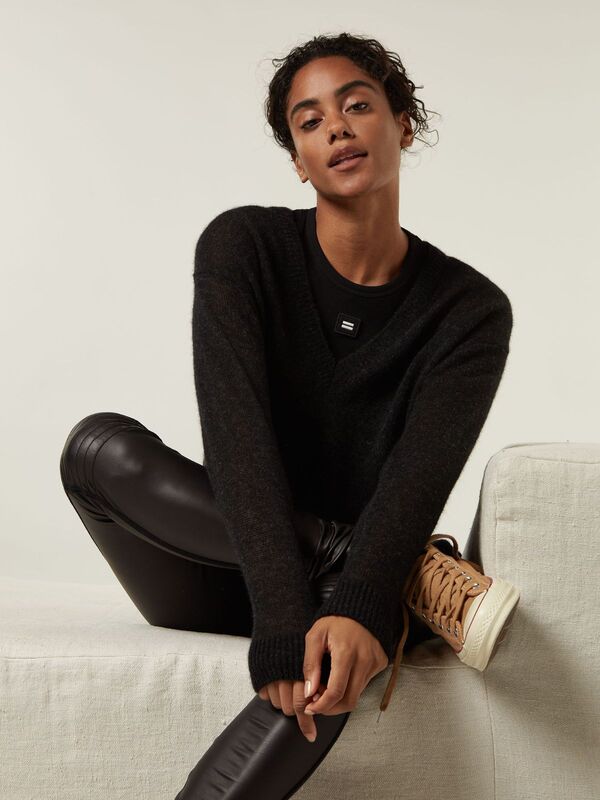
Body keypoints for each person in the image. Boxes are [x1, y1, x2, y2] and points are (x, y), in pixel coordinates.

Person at [59, 32, 515, 799]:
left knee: (339, 640)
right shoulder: (244, 247)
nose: (335, 127)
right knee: (97, 452)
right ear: (299, 161)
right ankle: (382, 573)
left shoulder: (469, 312)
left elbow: (417, 479)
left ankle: (369, 582)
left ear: (403, 125)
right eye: (309, 121)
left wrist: (357, 603)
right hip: (212, 559)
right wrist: (286, 607)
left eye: (357, 105)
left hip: (347, 597)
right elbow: (236, 442)